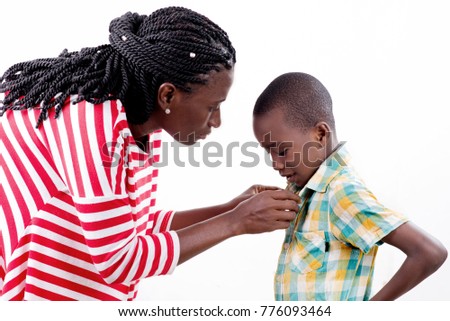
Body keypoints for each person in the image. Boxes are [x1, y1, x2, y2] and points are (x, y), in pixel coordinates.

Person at [0, 7, 301, 301]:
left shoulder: (142, 127)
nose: (216, 121)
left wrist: (229, 208)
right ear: (168, 95)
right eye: (212, 106)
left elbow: (135, 227)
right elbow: (117, 261)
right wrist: (235, 222)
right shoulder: (92, 125)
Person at [252, 72, 447, 301]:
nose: (275, 164)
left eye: (282, 151)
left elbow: (429, 253)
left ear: (321, 134)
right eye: (269, 152)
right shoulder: (305, 190)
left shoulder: (341, 193)